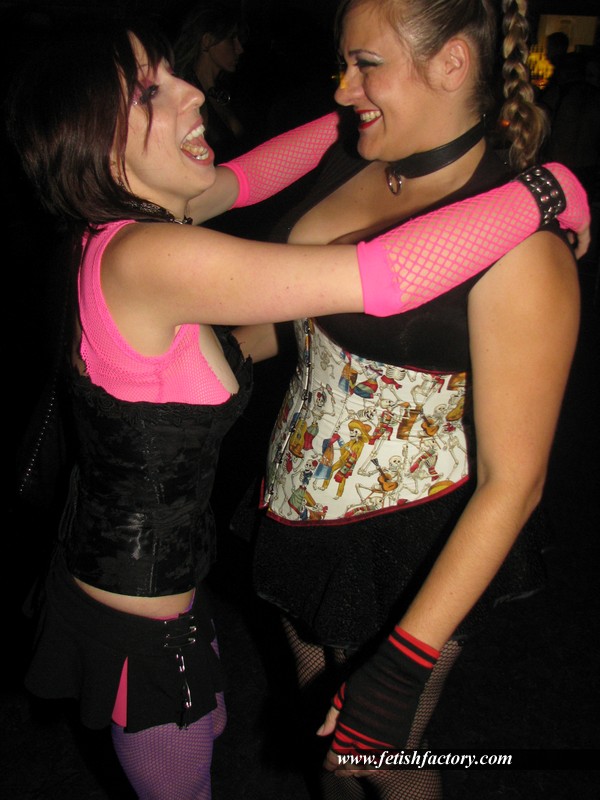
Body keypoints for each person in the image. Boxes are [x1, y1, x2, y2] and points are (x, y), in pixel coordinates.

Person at [6, 14, 588, 800]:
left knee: (381, 763)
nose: (193, 92)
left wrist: (372, 115)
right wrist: (553, 189)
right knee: (261, 768)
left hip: (327, 555)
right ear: (101, 147)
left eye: (363, 62)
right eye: (149, 92)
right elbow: (382, 279)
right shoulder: (151, 254)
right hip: (166, 606)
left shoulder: (121, 234)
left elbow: (244, 182)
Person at [227, 1, 588, 798]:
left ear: (452, 63)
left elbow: (515, 482)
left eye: (367, 64)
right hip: (294, 506)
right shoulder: (355, 157)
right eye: (344, 64)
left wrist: (402, 666)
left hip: (410, 545)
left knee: (387, 764)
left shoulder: (521, 247)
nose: (342, 87)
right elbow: (298, 321)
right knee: (320, 739)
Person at [172, 0, 249, 161]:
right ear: (207, 41)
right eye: (231, 39)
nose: (239, 49)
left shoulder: (225, 92)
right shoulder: (189, 97)